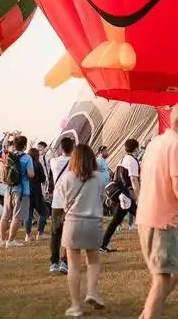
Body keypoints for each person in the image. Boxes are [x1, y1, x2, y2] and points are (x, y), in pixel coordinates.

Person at [136, 103, 178, 319]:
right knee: (162, 279)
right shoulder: (176, 145)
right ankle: (148, 314)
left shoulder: (156, 143)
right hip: (161, 220)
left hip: (147, 216)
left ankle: (148, 311)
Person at [55, 144, 106, 317]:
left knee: (74, 266)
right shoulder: (99, 178)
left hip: (73, 224)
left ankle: (76, 306)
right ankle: (92, 291)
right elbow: (102, 197)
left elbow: (63, 202)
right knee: (93, 261)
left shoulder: (67, 178)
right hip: (93, 223)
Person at [101, 139, 141, 252]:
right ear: (136, 148)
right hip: (122, 193)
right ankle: (155, 240)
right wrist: (139, 198)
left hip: (116, 191)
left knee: (117, 219)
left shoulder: (123, 159)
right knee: (141, 214)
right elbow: (133, 180)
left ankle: (103, 243)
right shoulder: (132, 160)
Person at [0, 134, 35, 248]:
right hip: (22, 190)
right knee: (17, 217)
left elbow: (2, 149)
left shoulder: (9, 155)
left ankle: (2, 240)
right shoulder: (27, 158)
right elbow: (31, 174)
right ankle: (11, 241)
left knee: (5, 216)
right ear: (24, 146)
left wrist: (7, 136)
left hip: (8, 189)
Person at [49, 136, 75, 274]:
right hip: (71, 202)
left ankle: (54, 262)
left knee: (55, 233)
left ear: (61, 149)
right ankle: (65, 262)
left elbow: (51, 155)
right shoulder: (76, 163)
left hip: (56, 202)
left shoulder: (55, 162)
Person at [26, 146, 49, 241]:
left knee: (29, 214)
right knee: (45, 212)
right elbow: (43, 179)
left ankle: (28, 235)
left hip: (27, 192)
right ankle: (40, 233)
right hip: (36, 192)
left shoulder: (25, 165)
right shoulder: (38, 164)